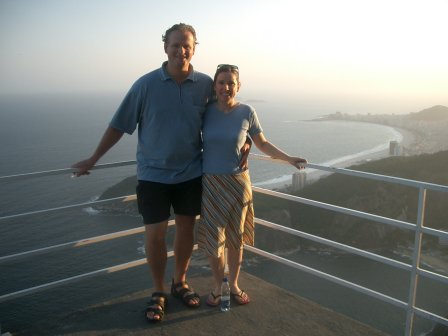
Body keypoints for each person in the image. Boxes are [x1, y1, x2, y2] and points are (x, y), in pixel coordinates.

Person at [71, 25, 249, 323]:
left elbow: (227, 110)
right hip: (153, 175)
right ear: (165, 47)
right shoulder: (145, 85)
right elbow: (119, 125)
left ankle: (179, 282)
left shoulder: (205, 83)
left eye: (187, 45)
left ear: (195, 48)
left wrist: (244, 145)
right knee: (154, 236)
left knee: (185, 232)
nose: (181, 50)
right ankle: (158, 291)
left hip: (191, 173)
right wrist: (93, 158)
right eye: (176, 45)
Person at [198, 64, 307, 307]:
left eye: (230, 83)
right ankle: (218, 286)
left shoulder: (247, 111)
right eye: (221, 82)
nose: (226, 87)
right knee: (214, 240)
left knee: (236, 238)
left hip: (238, 182)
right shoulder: (205, 111)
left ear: (238, 86)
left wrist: (288, 159)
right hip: (212, 183)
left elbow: (262, 144)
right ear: (214, 86)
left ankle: (234, 285)